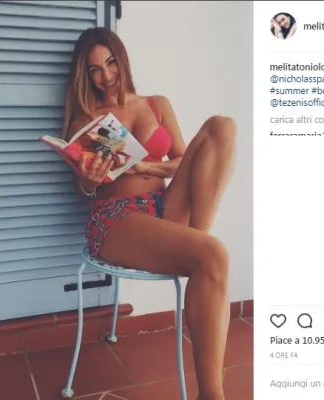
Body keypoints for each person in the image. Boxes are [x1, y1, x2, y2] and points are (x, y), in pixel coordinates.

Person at [61, 27, 237, 400]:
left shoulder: (157, 104)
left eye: (111, 63)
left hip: (163, 206)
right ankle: (212, 395)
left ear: (122, 59)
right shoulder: (88, 120)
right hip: (116, 218)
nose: (106, 75)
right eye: (95, 69)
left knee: (222, 127)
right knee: (214, 256)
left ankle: (195, 247)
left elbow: (184, 161)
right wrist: (88, 182)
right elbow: (85, 190)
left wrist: (146, 168)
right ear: (85, 76)